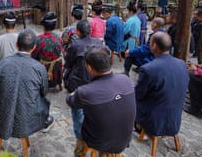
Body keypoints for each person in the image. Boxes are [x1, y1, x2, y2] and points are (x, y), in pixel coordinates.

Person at [66, 47, 135, 155]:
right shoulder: (126, 80)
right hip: (124, 141)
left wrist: (75, 94)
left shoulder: (84, 92)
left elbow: (69, 101)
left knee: (76, 107)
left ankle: (80, 142)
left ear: (88, 67)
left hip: (96, 141)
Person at [0, 28, 54, 140]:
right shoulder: (39, 68)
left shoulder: (2, 63)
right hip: (28, 120)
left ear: (16, 45)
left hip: (1, 117)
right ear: (34, 48)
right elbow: (44, 92)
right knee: (43, 101)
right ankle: (44, 122)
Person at [134, 32, 189, 137]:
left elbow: (138, 94)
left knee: (125, 99)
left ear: (154, 45)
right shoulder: (181, 63)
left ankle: (137, 126)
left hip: (154, 121)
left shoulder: (149, 69)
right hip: (174, 119)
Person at [63, 20, 103, 156]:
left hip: (79, 82)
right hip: (97, 80)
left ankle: (81, 137)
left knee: (77, 109)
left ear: (78, 32)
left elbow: (68, 64)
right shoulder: (99, 43)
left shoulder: (75, 45)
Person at [32, 11, 63, 90]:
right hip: (57, 66)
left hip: (44, 67)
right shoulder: (59, 37)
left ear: (43, 26)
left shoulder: (39, 39)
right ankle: (58, 82)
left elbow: (34, 55)